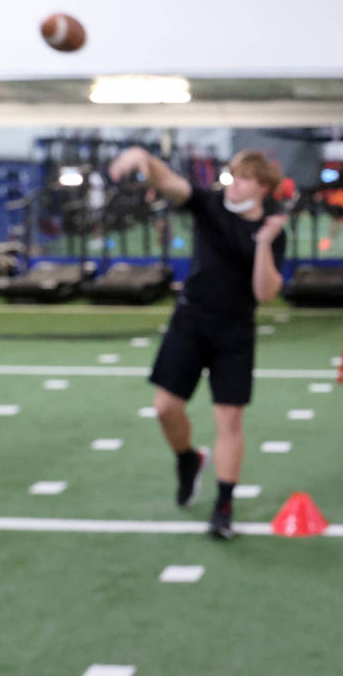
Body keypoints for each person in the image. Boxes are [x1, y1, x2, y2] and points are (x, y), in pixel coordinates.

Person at [108, 147, 287, 540]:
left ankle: (223, 506)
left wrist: (262, 243)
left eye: (243, 178)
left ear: (262, 187)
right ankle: (188, 459)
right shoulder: (208, 204)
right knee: (164, 407)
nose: (233, 183)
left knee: (229, 420)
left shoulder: (272, 232)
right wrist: (142, 156)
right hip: (190, 321)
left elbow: (265, 292)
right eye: (231, 175)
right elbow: (168, 181)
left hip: (235, 332)